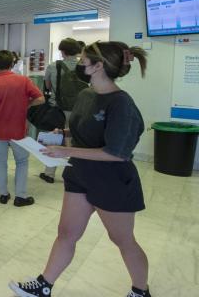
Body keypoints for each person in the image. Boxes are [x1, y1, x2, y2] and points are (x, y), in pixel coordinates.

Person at [9, 42, 151, 297]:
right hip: (80, 175)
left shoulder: (121, 105)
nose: (78, 66)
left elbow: (116, 153)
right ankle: (44, 285)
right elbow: (80, 130)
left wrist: (67, 151)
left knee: (122, 240)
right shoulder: (86, 95)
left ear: (98, 66)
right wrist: (62, 135)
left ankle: (141, 291)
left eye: (83, 62)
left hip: (112, 182)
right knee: (66, 233)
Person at [0, 50, 44, 207]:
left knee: (0, 162)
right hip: (18, 130)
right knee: (22, 161)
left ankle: (3, 194)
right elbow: (40, 99)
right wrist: (26, 104)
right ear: (12, 64)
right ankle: (20, 196)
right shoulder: (23, 81)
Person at [39, 38, 87, 184]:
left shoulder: (54, 66)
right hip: (80, 109)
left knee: (54, 140)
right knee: (76, 141)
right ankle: (77, 174)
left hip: (58, 109)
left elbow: (47, 86)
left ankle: (49, 173)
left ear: (62, 51)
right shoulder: (85, 66)